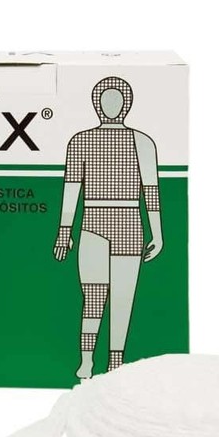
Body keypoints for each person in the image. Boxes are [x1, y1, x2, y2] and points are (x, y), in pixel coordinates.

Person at [53, 77, 163, 378]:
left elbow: (151, 190)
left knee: (123, 297)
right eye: (105, 99)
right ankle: (87, 360)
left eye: (117, 99)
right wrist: (64, 230)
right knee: (93, 294)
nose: (111, 105)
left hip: (129, 222)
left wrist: (158, 232)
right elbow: (71, 187)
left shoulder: (143, 142)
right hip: (93, 222)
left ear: (127, 103)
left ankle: (115, 361)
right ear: (96, 102)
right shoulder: (80, 141)